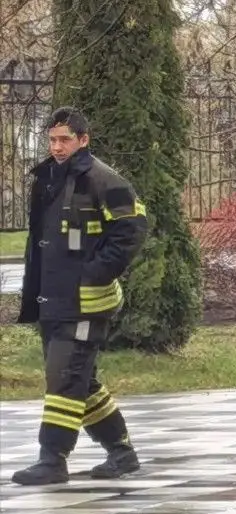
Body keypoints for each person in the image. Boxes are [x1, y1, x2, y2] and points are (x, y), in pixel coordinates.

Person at [12, 107, 146, 487]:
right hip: (51, 299)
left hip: (87, 301)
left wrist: (94, 271)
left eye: (65, 139)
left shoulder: (105, 180)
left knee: (64, 378)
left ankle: (52, 458)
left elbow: (132, 230)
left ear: (83, 139)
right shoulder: (47, 178)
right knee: (77, 379)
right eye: (52, 139)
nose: (57, 147)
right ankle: (122, 452)